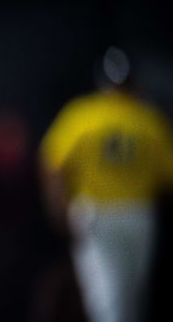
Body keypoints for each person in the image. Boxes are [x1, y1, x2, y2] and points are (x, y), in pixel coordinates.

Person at [39, 47, 173, 322]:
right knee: (132, 297)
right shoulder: (147, 118)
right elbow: (167, 178)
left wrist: (59, 212)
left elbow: (51, 163)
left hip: (95, 214)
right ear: (133, 81)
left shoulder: (82, 115)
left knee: (105, 298)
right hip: (138, 215)